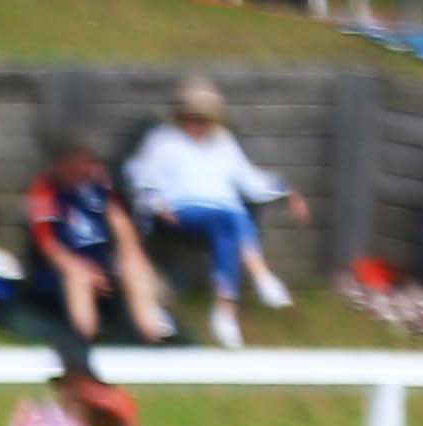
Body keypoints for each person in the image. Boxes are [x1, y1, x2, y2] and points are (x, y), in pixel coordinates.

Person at [128, 79, 300, 347]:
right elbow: (139, 175)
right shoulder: (163, 141)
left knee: (227, 226)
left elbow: (249, 179)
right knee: (232, 217)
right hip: (183, 209)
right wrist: (156, 205)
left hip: (224, 213)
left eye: (202, 119)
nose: (196, 124)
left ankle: (224, 312)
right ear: (181, 116)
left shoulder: (224, 142)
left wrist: (284, 189)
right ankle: (261, 276)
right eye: (191, 118)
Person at [24, 140, 174, 350]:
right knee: (79, 275)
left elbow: (120, 224)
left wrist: (131, 256)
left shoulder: (98, 186)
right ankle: (85, 340)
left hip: (101, 263)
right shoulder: (44, 190)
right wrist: (86, 271)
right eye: (76, 162)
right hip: (61, 269)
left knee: (134, 264)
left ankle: (154, 334)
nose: (83, 168)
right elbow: (48, 245)